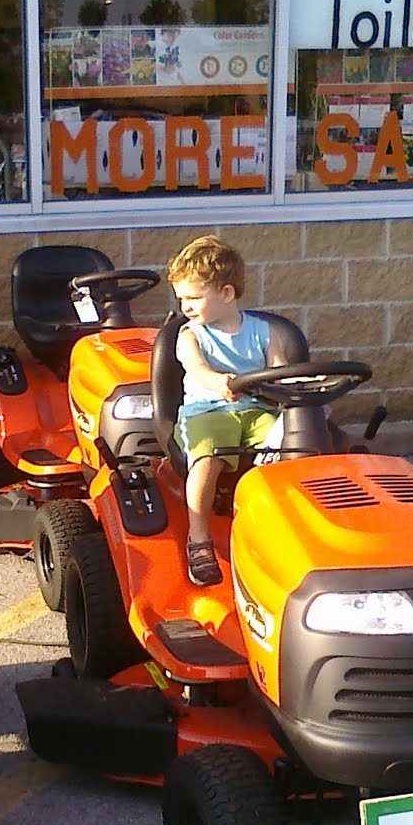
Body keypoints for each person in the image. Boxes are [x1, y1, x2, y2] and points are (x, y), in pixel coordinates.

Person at [169, 234, 281, 587]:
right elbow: (198, 371)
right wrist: (222, 383)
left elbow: (280, 372)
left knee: (295, 449)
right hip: (207, 412)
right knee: (207, 460)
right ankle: (199, 539)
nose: (185, 306)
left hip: (256, 410)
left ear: (227, 294)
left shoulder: (265, 332)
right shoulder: (190, 335)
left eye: (194, 297)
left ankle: (281, 532)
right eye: (181, 298)